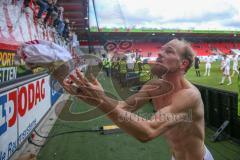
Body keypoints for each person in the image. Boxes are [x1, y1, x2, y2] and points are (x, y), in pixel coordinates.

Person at [60, 39, 213, 160]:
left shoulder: (189, 95)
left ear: (183, 63)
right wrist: (96, 96)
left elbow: (148, 131)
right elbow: (124, 106)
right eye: (161, 49)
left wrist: (101, 101)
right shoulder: (154, 85)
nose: (160, 53)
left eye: (169, 51)